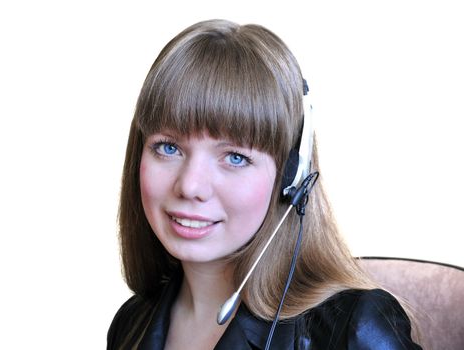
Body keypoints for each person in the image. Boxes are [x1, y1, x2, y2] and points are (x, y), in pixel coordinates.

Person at [107, 19, 422, 349]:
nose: (190, 186)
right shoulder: (132, 323)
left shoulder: (352, 330)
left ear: (291, 175)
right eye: (168, 147)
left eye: (235, 157)